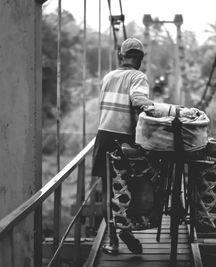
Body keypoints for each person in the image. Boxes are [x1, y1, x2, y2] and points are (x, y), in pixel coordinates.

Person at [91, 37, 153, 255]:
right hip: (124, 141)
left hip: (104, 137)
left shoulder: (108, 77)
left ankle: (113, 241)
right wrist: (153, 108)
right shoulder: (138, 76)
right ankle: (126, 227)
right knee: (132, 185)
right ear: (140, 59)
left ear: (121, 56)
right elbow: (138, 99)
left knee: (108, 190)